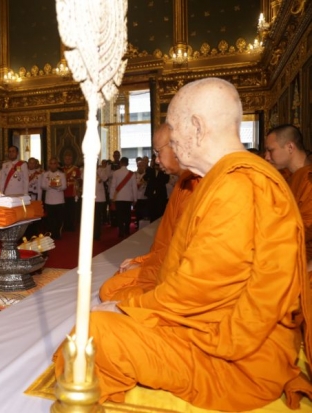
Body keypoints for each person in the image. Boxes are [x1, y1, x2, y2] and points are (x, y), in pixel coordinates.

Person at [56, 77, 312, 410]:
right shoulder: (218, 180)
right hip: (205, 327)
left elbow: (198, 292)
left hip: (232, 356)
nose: (172, 148)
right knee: (104, 320)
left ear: (197, 127)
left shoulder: (237, 186)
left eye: (173, 137)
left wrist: (126, 309)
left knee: (95, 334)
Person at [99, 123, 201, 301]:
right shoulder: (183, 183)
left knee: (110, 295)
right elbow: (168, 243)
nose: (156, 160)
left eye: (157, 153)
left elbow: (186, 252)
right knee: (109, 288)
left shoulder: (200, 185)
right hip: (163, 263)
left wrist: (143, 263)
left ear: (177, 147)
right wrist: (143, 261)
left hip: (179, 275)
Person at [264, 124, 312, 261]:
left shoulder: (308, 180)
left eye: (270, 150)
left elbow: (304, 229)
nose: (266, 157)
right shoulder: (289, 176)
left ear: (290, 147)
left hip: (300, 259)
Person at [109, 157, 137, 238]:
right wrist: (135, 198)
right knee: (127, 214)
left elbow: (113, 186)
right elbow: (134, 187)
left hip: (118, 197)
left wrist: (111, 197)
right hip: (128, 198)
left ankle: (121, 231)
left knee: (120, 215)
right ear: (128, 163)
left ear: (120, 163)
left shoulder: (116, 173)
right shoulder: (131, 174)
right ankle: (127, 230)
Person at [41, 158, 66, 240]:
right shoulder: (45, 174)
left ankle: (57, 234)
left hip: (59, 199)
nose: (53, 165)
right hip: (49, 199)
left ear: (57, 164)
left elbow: (64, 186)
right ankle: (50, 234)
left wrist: (57, 187)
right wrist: (49, 185)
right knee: (50, 218)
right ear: (49, 165)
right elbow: (42, 186)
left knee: (58, 218)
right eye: (51, 163)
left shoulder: (61, 174)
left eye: (54, 163)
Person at [144, 151, 169, 222]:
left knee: (160, 211)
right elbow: (145, 178)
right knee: (152, 211)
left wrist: (161, 170)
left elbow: (166, 180)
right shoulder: (150, 171)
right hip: (151, 194)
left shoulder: (164, 171)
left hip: (160, 194)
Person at [61, 153, 81, 231]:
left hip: (72, 192)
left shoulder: (76, 169)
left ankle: (72, 226)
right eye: (66, 159)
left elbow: (79, 180)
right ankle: (65, 225)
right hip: (63, 192)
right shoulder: (61, 169)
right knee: (64, 211)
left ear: (72, 160)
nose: (67, 160)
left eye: (69, 159)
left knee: (72, 210)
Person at [94, 162, 110, 240]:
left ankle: (97, 234)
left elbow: (105, 178)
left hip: (99, 198)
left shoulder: (101, 170)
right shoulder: (86, 170)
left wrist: (97, 172)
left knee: (97, 217)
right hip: (90, 198)